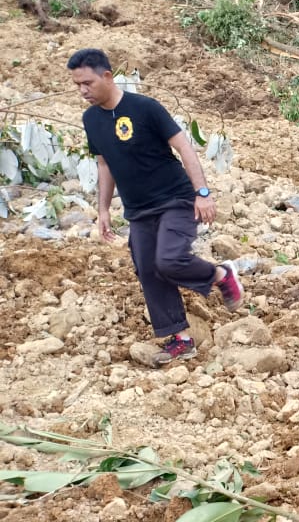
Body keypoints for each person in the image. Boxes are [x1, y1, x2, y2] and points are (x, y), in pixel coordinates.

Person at [68, 48, 244, 368]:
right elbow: (104, 165)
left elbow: (184, 147)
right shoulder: (91, 119)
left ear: (107, 76)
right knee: (148, 269)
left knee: (169, 259)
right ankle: (180, 339)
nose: (82, 90)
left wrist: (202, 193)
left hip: (175, 199)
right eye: (77, 84)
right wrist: (103, 210)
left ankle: (221, 274)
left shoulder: (145, 108)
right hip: (138, 210)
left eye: (87, 83)